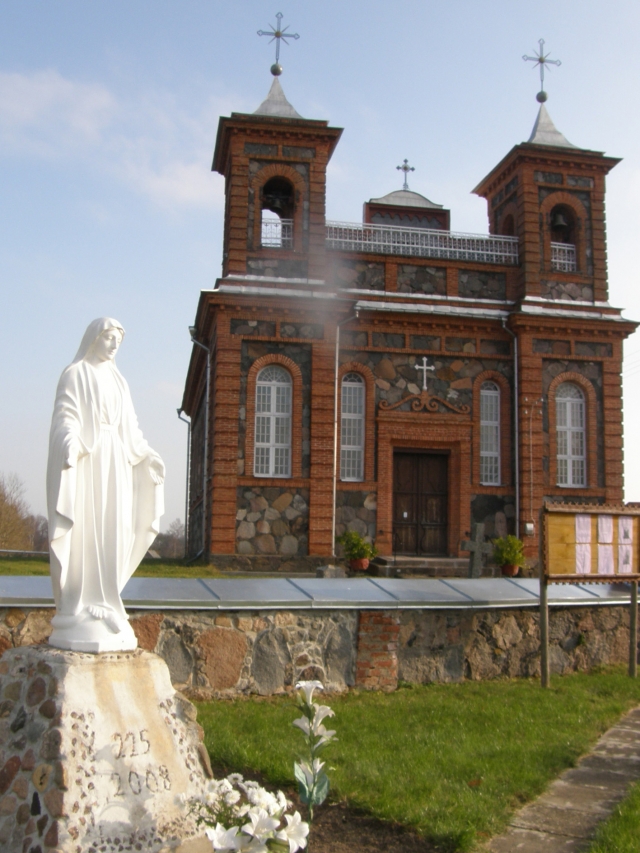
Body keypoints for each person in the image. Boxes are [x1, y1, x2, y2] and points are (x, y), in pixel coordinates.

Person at [47, 318, 164, 651]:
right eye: (109, 338)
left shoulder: (119, 381)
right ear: (95, 338)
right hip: (88, 461)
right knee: (88, 528)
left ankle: (107, 601)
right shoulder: (75, 374)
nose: (114, 345)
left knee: (115, 527)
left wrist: (146, 454)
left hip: (116, 462)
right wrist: (68, 440)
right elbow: (64, 415)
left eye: (118, 341)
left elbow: (131, 427)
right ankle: (81, 605)